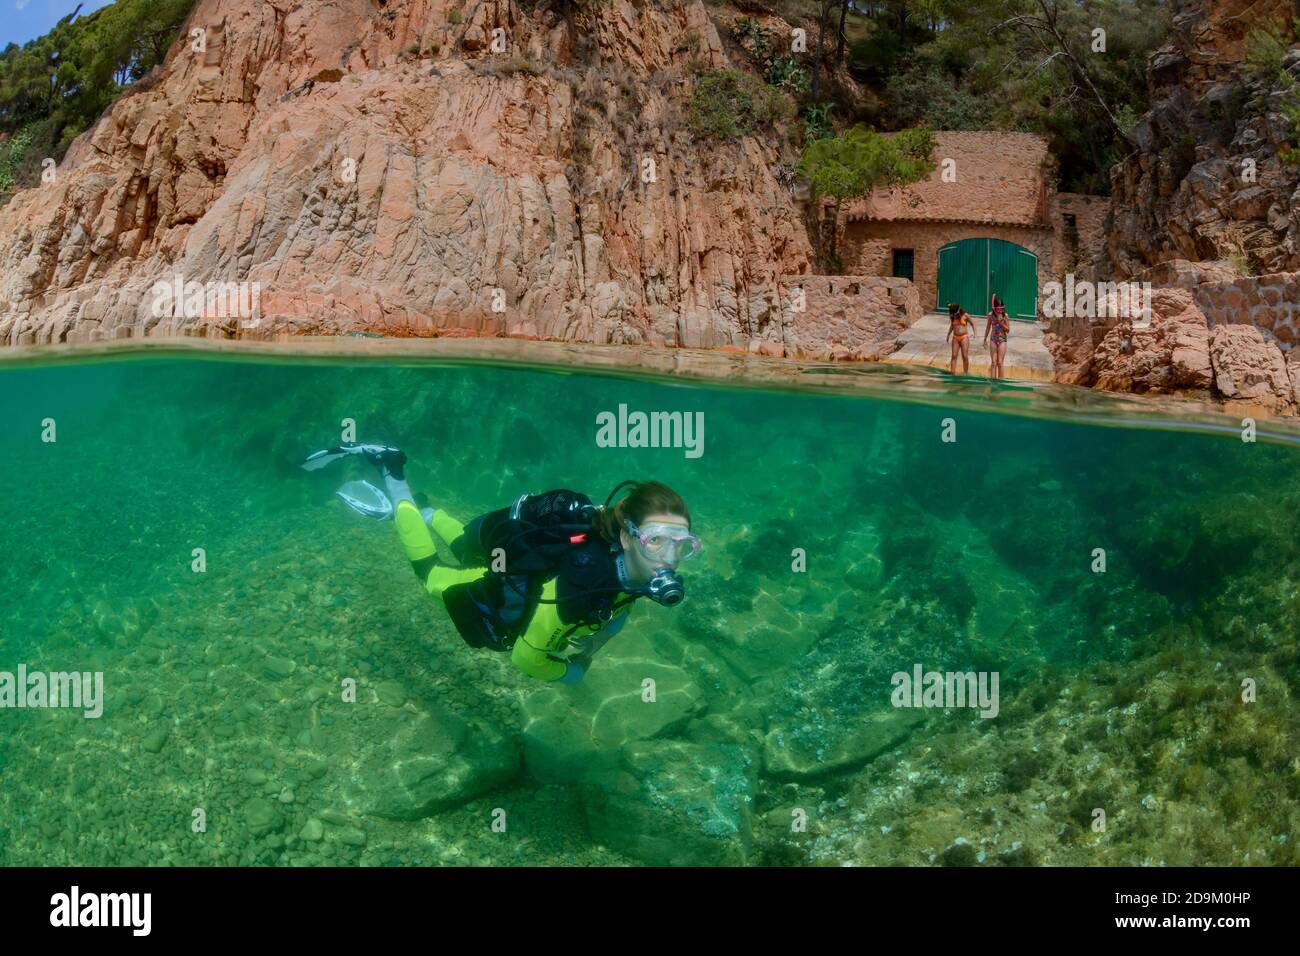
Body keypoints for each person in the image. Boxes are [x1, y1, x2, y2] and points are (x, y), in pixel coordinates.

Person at [301, 444, 700, 685]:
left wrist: (601, 639)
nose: (669, 558)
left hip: (513, 564)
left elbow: (624, 602)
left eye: (682, 545)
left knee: (462, 544)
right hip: (494, 581)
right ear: (628, 537)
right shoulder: (579, 590)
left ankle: (425, 512)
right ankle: (394, 485)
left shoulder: (631, 562)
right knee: (431, 575)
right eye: (656, 541)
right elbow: (526, 659)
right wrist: (572, 674)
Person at [983, 294, 1011, 380]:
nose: (999, 311)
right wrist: (984, 339)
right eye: (998, 308)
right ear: (994, 308)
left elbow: (1008, 330)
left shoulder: (1005, 316)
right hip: (993, 339)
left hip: (1002, 340)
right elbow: (988, 327)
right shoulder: (990, 315)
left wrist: (1001, 323)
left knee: (1000, 362)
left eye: (1001, 308)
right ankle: (992, 381)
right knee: (993, 362)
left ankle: (1001, 381)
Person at [946, 302, 975, 375]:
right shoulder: (953, 316)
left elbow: (973, 324)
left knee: (964, 355)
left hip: (964, 337)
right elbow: (952, 326)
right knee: (954, 355)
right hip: (955, 337)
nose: (954, 314)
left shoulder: (965, 315)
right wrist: (948, 334)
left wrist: (975, 333)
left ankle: (965, 373)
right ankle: (952, 373)